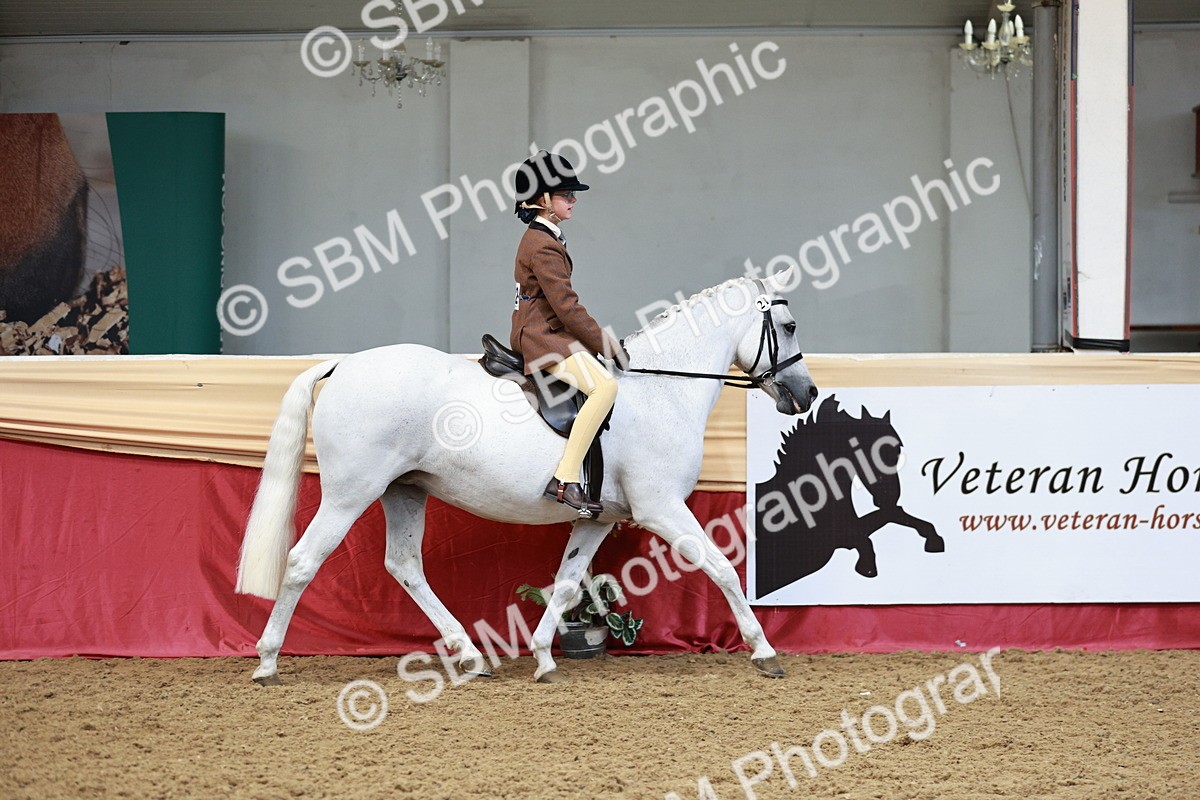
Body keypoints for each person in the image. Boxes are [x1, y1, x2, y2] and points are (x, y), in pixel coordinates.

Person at [509, 150, 628, 517]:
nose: (573, 201)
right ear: (543, 200)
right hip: (542, 336)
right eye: (566, 195)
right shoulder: (543, 243)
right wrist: (606, 344)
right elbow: (567, 307)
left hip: (548, 329)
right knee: (605, 386)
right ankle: (564, 479)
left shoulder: (546, 236)